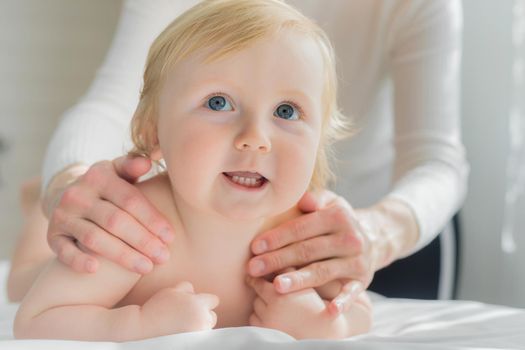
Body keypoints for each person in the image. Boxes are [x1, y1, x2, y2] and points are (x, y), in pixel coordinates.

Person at [8, 0, 468, 317]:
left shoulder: (295, 232)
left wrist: (375, 235)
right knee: (26, 280)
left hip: (368, 221)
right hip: (205, 189)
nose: (256, 139)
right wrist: (66, 184)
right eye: (219, 103)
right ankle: (34, 217)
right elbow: (114, 100)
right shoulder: (150, 225)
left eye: (287, 111)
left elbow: (437, 158)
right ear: (152, 134)